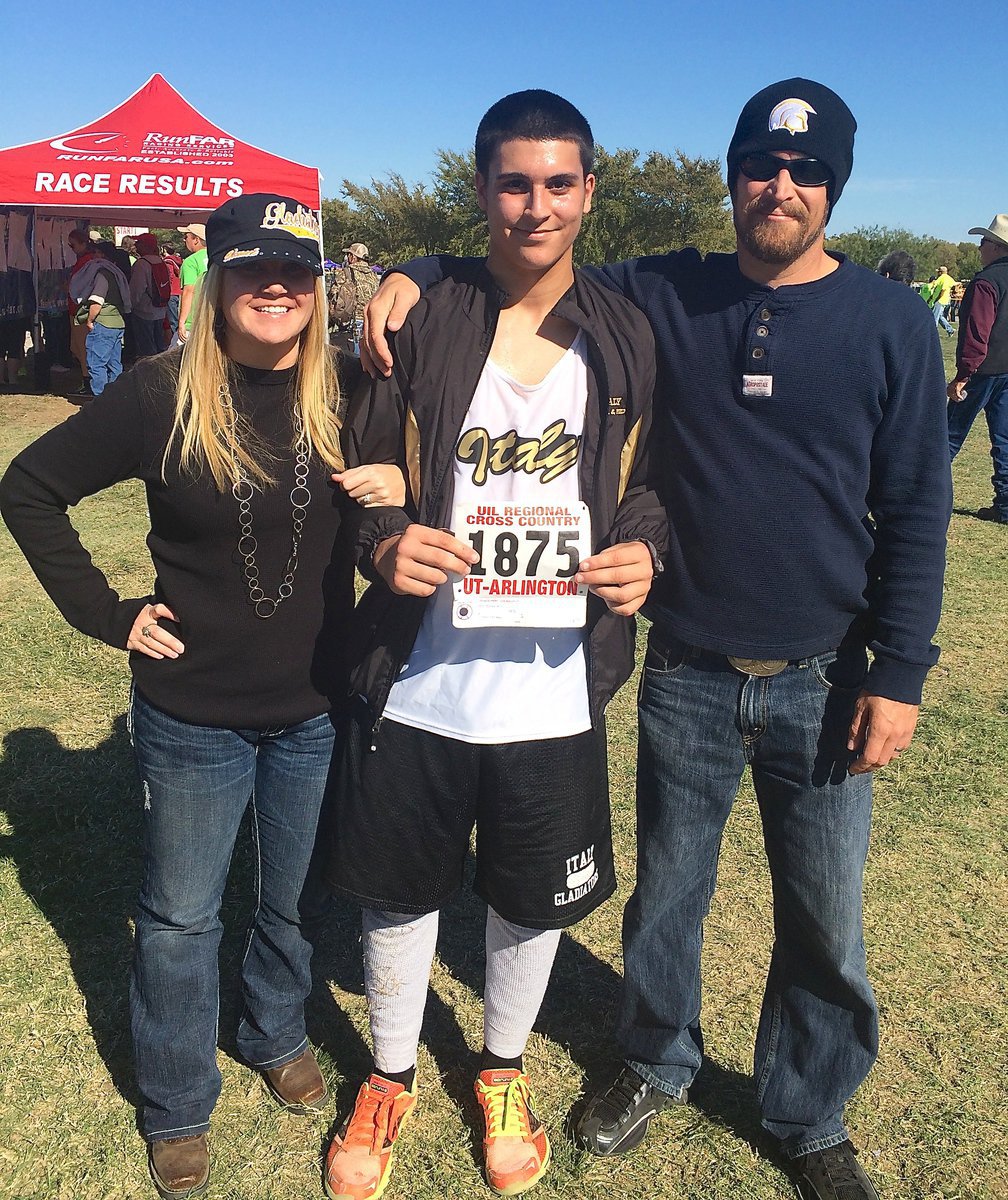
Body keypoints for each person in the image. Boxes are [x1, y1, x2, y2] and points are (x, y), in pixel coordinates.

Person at [362, 77, 952, 1200]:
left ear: (835, 187)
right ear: (734, 173)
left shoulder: (887, 322)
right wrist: (414, 270)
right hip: (683, 664)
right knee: (667, 896)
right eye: (762, 166)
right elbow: (526, 257)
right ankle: (652, 1062)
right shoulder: (664, 294)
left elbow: (920, 506)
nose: (782, 187)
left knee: (823, 915)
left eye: (808, 171)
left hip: (823, 676)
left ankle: (809, 1109)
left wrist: (901, 671)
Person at [0, 192, 404, 1200]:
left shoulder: (349, 394)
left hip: (315, 704)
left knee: (293, 897)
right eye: (253, 270)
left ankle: (273, 1030)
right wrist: (107, 612)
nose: (275, 288)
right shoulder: (158, 393)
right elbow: (28, 487)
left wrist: (399, 488)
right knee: (180, 918)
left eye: (296, 273)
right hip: (191, 714)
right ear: (216, 282)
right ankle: (178, 1100)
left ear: (318, 290)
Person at [321, 89, 666, 1200]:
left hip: (554, 685)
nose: (535, 206)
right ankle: (386, 1074)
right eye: (513, 183)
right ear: (480, 192)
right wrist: (382, 544)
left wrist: (645, 554)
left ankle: (502, 1069)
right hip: (425, 678)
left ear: (589, 193)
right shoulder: (419, 319)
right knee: (398, 886)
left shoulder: (624, 332)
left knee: (529, 892)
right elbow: (358, 473)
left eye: (558, 183)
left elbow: (651, 487)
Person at [947, 214, 1008, 525]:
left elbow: (976, 332)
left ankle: (928, 498)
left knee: (948, 436)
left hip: (983, 371)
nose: (980, 247)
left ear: (996, 246)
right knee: (1005, 438)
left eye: (984, 241)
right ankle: (1006, 505)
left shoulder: (986, 282)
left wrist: (963, 375)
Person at [72, 239, 131, 397]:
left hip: (104, 324)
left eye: (97, 252)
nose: (93, 256)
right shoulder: (117, 273)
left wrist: (90, 320)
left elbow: (97, 301)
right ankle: (116, 397)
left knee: (97, 364)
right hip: (117, 323)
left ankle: (101, 400)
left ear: (102, 255)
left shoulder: (102, 275)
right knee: (114, 364)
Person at [328, 242, 380, 356]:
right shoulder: (374, 276)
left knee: (353, 359)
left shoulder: (346, 273)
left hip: (352, 323)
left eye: (349, 255)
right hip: (370, 321)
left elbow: (333, 295)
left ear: (353, 257)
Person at [129, 233, 170, 357]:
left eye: (138, 243)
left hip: (144, 312)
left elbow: (136, 289)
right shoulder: (161, 262)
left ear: (146, 246)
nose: (136, 246)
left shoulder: (142, 264)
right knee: (159, 347)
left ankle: (148, 374)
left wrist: (130, 306)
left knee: (146, 349)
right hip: (160, 310)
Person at [66, 227, 95, 395]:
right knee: (76, 347)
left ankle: (88, 380)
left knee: (82, 347)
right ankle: (87, 379)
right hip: (76, 309)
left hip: (81, 310)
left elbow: (81, 285)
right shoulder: (83, 260)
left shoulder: (87, 261)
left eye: (73, 245)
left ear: (84, 243)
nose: (72, 249)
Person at [176, 223, 208, 343]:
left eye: (186, 237)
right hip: (212, 319)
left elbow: (189, 291)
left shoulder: (191, 262)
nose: (185, 240)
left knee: (174, 359)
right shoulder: (216, 259)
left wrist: (182, 322)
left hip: (192, 321)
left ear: (196, 240)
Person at [931, 264, 957, 335]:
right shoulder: (949, 278)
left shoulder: (942, 278)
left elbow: (942, 289)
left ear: (940, 272)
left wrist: (937, 298)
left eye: (938, 272)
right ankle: (950, 330)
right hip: (946, 300)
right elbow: (955, 284)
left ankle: (933, 333)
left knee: (935, 317)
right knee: (939, 317)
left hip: (940, 300)